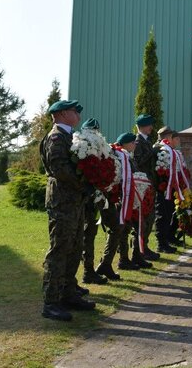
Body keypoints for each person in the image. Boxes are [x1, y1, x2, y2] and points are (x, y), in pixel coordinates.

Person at [40, 99, 96, 322]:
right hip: (62, 202)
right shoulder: (56, 138)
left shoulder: (70, 136)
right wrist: (86, 183)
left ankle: (68, 293)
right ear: (62, 114)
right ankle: (51, 302)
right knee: (60, 249)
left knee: (75, 248)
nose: (79, 116)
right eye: (75, 111)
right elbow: (60, 169)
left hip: (75, 201)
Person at [99, 132, 137, 276]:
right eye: (132, 142)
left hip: (124, 198)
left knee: (124, 228)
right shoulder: (118, 155)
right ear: (125, 143)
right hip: (116, 199)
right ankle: (106, 263)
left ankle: (122, 259)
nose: (134, 145)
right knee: (118, 228)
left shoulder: (126, 156)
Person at [79, 118, 109, 285]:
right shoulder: (82, 145)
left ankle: (89, 271)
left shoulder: (99, 146)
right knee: (85, 237)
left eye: (96, 130)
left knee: (91, 234)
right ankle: (86, 271)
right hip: (84, 198)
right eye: (92, 130)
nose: (95, 133)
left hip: (95, 197)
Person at [132, 114, 159, 264]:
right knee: (143, 220)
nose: (151, 128)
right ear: (142, 126)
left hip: (150, 184)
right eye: (149, 125)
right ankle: (139, 251)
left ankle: (144, 247)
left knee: (149, 219)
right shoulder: (138, 142)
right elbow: (138, 162)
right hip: (142, 185)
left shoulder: (146, 141)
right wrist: (151, 152)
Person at [153, 126, 180, 254]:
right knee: (162, 215)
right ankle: (161, 243)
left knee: (167, 214)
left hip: (168, 187)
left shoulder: (167, 149)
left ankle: (166, 240)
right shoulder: (159, 148)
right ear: (167, 137)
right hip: (161, 188)